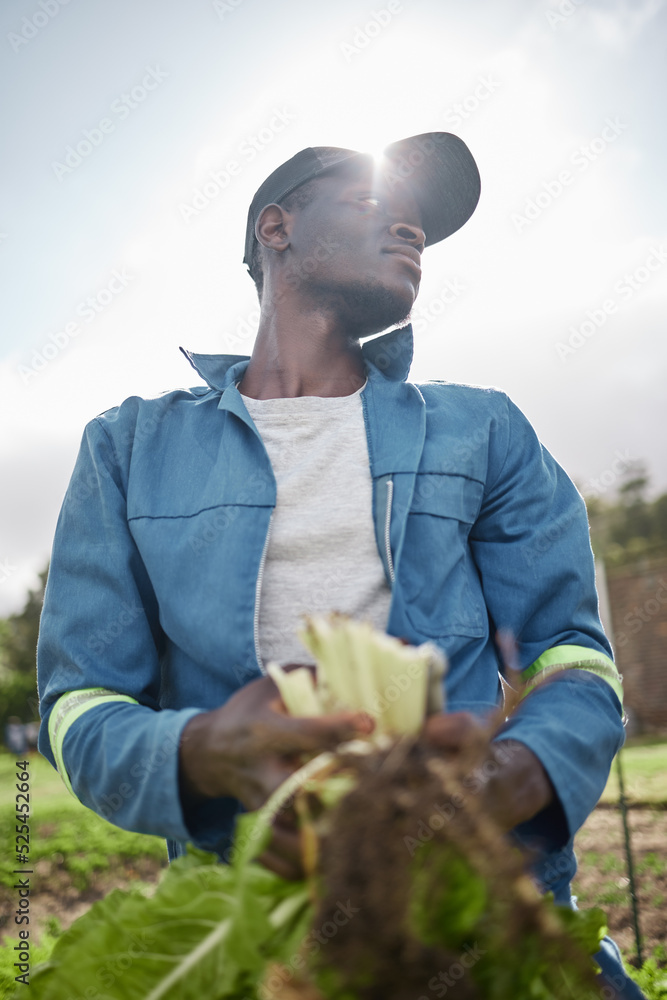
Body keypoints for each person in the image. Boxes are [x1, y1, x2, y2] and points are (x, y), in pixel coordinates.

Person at [37, 133, 641, 996]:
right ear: (275, 228)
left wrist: (507, 778)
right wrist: (204, 749)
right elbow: (79, 702)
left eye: (422, 222)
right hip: (246, 917)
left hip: (477, 908)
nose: (411, 227)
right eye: (371, 200)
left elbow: (573, 660)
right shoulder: (128, 446)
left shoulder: (485, 430)